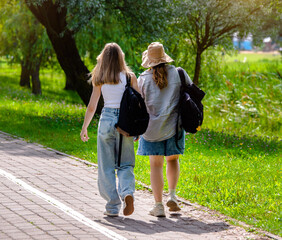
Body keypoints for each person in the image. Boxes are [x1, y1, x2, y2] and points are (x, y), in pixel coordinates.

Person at [80, 43, 139, 217]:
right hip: (125, 123)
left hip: (106, 121)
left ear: (103, 58)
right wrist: (138, 130)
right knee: (126, 163)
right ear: (121, 57)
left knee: (106, 166)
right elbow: (137, 105)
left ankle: (112, 206)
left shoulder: (100, 77)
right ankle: (127, 192)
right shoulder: (130, 77)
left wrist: (85, 127)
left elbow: (92, 106)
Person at [137, 42, 192, 217]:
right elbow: (190, 91)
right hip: (174, 128)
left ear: (149, 61)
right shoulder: (177, 73)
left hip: (151, 130)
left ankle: (158, 205)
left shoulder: (143, 79)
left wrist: (136, 131)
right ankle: (173, 196)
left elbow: (138, 106)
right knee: (172, 161)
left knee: (156, 165)